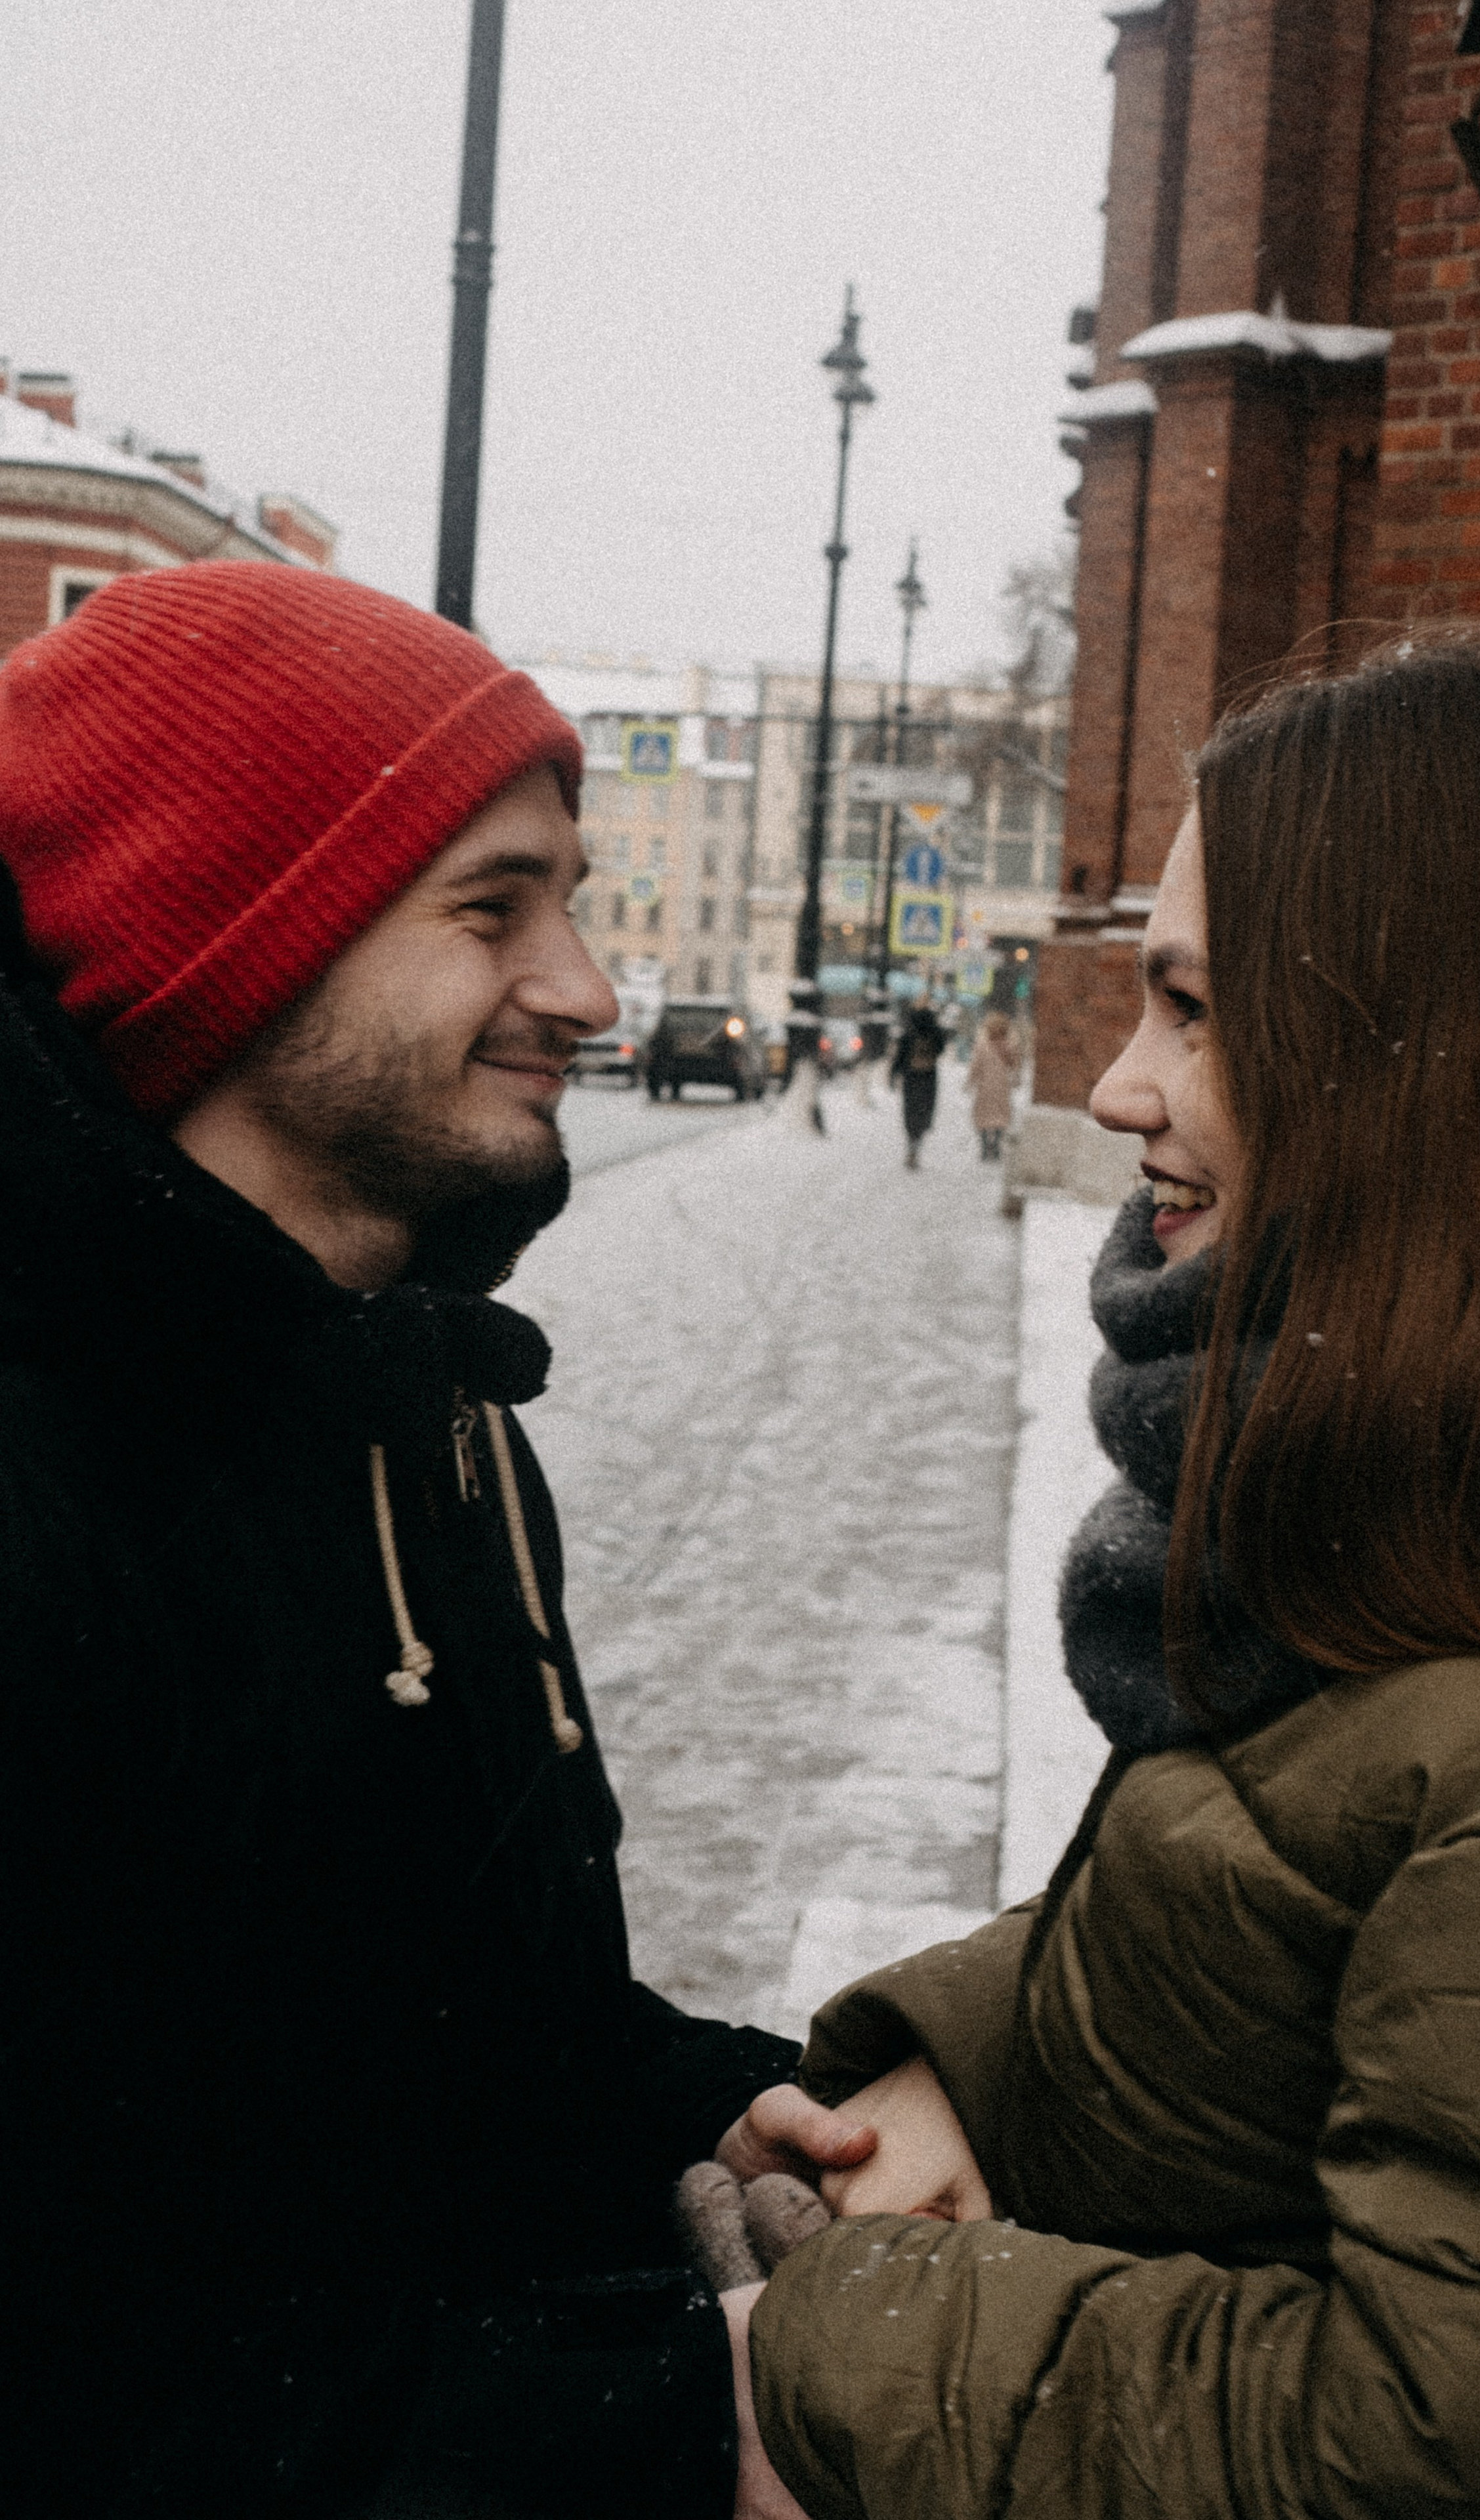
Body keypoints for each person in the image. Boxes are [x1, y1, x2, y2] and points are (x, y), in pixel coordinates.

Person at [727, 634, 1480, 2517]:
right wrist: (960, 2073)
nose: (1121, 1088)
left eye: (1194, 1011)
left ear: (1427, 1063)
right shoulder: (1404, 1510)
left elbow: (1464, 2451)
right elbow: (1274, 1908)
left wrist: (849, 2337)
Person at [0, 562, 868, 2520]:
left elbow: (442, 2040)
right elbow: (83, 2377)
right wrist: (669, 2423)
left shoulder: (432, 1403)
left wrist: (707, 2105)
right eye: (493, 908)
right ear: (237, 944)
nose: (585, 987)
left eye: (569, 899)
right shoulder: (46, 1495)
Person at [889, 996, 944, 1167]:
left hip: (911, 1076)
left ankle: (912, 1142)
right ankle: (918, 1140)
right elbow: (940, 1048)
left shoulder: (910, 1029)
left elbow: (901, 1054)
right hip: (928, 1075)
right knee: (924, 1109)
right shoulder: (934, 1029)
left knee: (911, 1110)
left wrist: (893, 1073)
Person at [964, 1008, 1019, 1160]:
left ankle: (984, 1146)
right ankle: (995, 1145)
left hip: (985, 1086)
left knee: (983, 1116)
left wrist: (970, 1082)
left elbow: (975, 1065)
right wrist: (1016, 1080)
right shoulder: (1009, 1046)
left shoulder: (982, 1046)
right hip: (1002, 1086)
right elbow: (1015, 1065)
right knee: (1000, 1116)